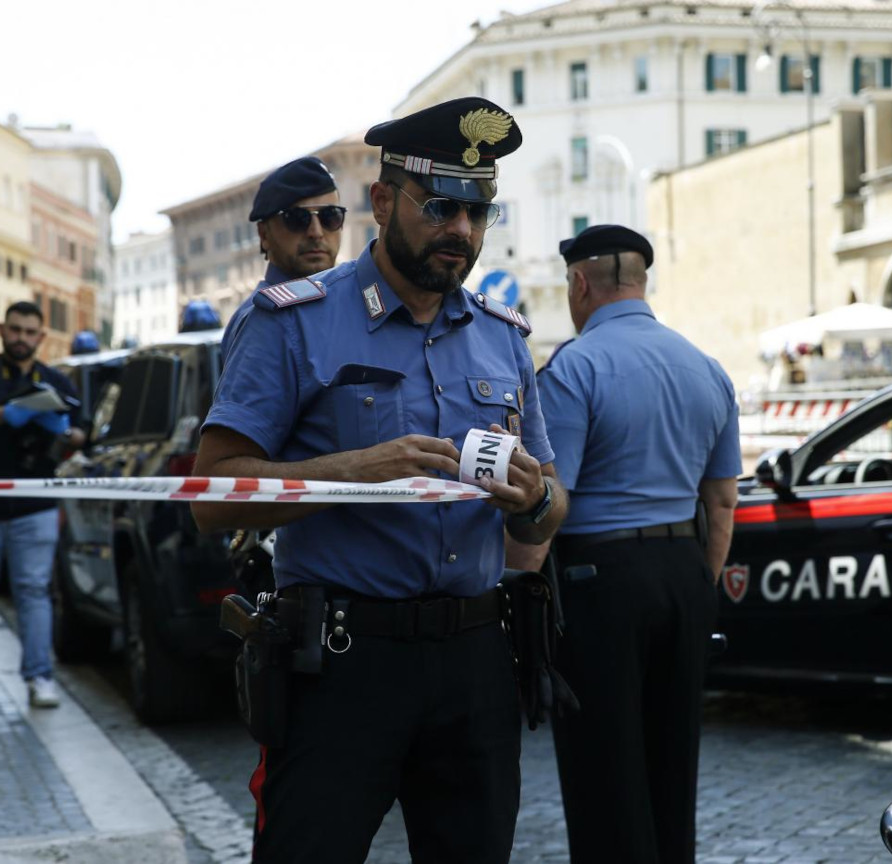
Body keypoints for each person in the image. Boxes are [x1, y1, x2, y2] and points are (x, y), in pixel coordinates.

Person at [190, 96, 567, 864]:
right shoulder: (292, 321)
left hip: (475, 662)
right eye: (440, 207)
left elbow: (549, 508)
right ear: (385, 201)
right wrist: (353, 473)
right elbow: (212, 498)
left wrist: (533, 502)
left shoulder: (504, 341)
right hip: (342, 664)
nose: (460, 230)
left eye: (478, 211)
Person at [508, 225, 742, 864]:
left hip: (598, 577)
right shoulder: (707, 367)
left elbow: (551, 501)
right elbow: (722, 501)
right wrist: (701, 582)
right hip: (684, 573)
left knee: (603, 772)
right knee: (674, 764)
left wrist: (518, 592)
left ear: (580, 284)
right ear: (641, 281)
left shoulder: (576, 367)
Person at [0, 301, 86, 708]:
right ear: (4, 330)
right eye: (15, 329)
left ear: (41, 336)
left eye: (29, 331)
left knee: (33, 590)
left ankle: (39, 677)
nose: (21, 338)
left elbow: (83, 433)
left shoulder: (56, 381)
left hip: (35, 502)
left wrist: (67, 433)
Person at [224, 155, 344, 346]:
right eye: (297, 218)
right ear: (264, 235)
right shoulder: (261, 322)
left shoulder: (349, 303)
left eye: (330, 216)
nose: (316, 232)